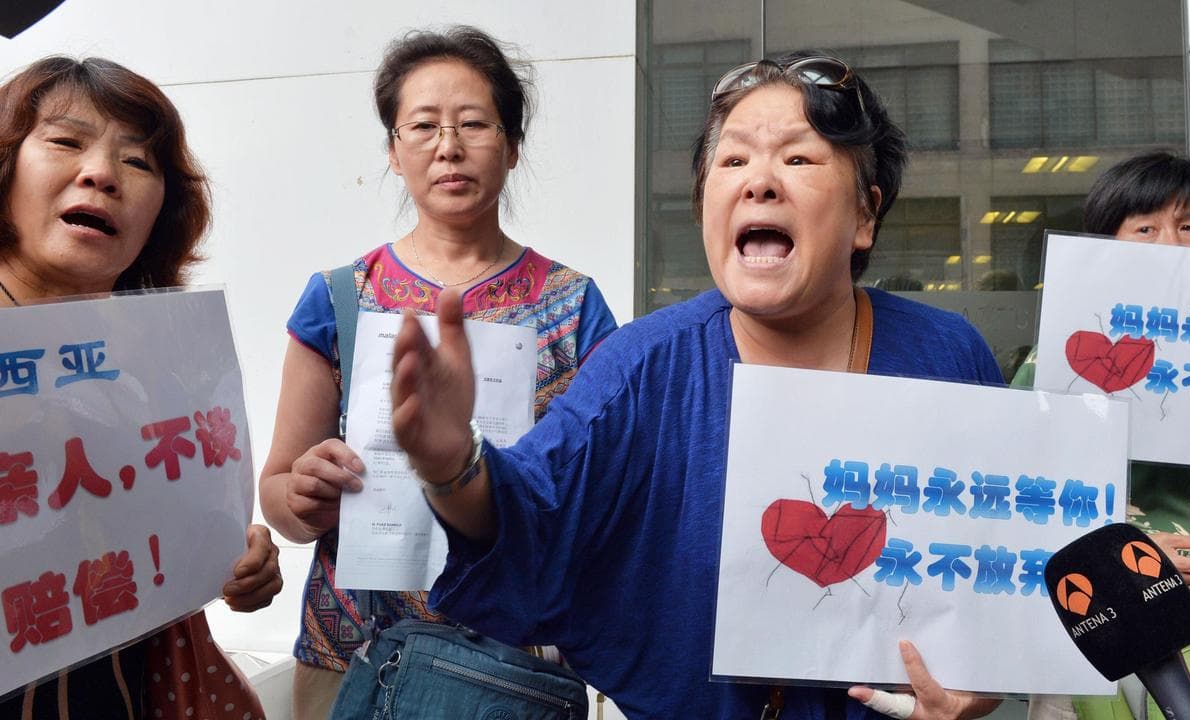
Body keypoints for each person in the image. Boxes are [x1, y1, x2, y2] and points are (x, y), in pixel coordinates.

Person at [389, 52, 1004, 719]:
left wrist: (979, 688)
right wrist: (453, 464)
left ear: (865, 214)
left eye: (798, 159)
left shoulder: (947, 354)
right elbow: (532, 513)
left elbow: (1003, 571)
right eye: (733, 161)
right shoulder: (641, 367)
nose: (759, 183)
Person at [257, 26, 617, 719]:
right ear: (394, 152)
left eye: (474, 124)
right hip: (352, 659)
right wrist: (302, 496)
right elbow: (279, 497)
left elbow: (604, 498)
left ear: (512, 146)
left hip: (514, 668)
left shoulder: (574, 306)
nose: (448, 146)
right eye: (423, 126)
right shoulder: (339, 299)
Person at [0, 55, 282, 719]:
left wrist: (238, 557)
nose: (101, 173)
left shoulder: (154, 372)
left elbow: (172, 536)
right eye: (65, 141)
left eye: (137, 161)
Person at [1013, 151, 1190, 719]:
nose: (1170, 245)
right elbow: (1019, 496)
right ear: (1105, 244)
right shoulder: (1059, 360)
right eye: (1144, 228)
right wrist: (1126, 565)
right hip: (1096, 630)